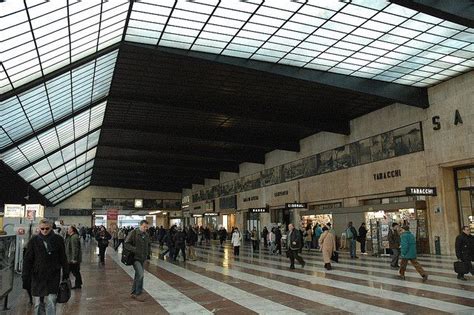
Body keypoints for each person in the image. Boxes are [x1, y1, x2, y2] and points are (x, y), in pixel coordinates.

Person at [22, 219, 68, 315]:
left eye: (47, 228)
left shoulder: (58, 240)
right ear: (39, 228)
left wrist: (65, 272)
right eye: (42, 228)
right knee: (38, 302)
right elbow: (28, 260)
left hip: (53, 274)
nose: (44, 231)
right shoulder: (33, 241)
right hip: (38, 275)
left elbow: (63, 257)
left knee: (52, 299)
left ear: (51, 228)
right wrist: (25, 275)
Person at [125, 220, 151, 302]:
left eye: (147, 227)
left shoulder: (146, 235)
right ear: (140, 225)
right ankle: (138, 293)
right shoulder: (133, 233)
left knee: (138, 275)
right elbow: (126, 244)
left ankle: (133, 292)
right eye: (144, 227)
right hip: (135, 258)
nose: (145, 228)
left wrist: (147, 255)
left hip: (142, 258)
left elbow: (148, 245)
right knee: (141, 274)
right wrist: (135, 249)